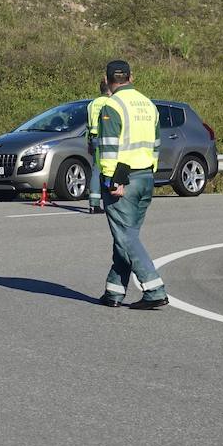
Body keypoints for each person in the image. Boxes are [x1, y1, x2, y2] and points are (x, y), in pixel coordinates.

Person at [95, 60, 167, 310]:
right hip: (145, 176)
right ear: (131, 77)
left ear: (107, 80)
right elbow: (156, 144)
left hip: (122, 180)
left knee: (126, 237)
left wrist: (111, 180)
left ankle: (154, 288)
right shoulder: (148, 104)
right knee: (127, 236)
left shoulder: (112, 105)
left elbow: (108, 147)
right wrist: (150, 171)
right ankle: (114, 292)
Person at [85, 80, 111, 214]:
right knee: (109, 168)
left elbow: (88, 124)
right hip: (106, 138)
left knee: (96, 169)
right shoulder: (110, 102)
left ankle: (94, 203)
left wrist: (89, 142)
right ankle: (109, 201)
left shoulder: (92, 104)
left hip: (93, 138)